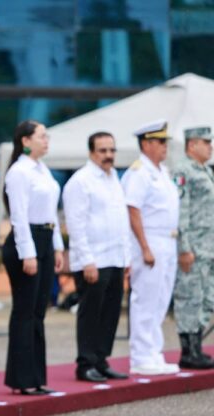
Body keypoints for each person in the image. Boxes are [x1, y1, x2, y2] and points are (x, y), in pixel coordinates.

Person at [62, 132, 131, 382]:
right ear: (92, 152)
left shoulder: (113, 178)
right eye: (103, 151)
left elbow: (120, 220)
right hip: (93, 259)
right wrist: (87, 260)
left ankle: (101, 360)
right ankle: (85, 363)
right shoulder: (81, 181)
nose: (108, 155)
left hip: (114, 257)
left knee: (111, 311)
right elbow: (76, 224)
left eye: (111, 150)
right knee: (91, 311)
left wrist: (126, 257)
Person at [2, 120, 65, 394]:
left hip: (46, 238)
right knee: (25, 312)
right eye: (41, 136)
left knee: (39, 311)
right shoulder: (19, 171)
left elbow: (50, 212)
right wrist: (28, 254)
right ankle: (21, 379)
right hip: (25, 241)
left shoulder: (42, 169)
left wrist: (58, 247)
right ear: (25, 141)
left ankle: (37, 377)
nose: (46, 140)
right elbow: (19, 216)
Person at [122, 120, 180, 375]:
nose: (164, 146)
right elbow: (132, 209)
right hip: (150, 239)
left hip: (168, 239)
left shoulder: (162, 171)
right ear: (146, 144)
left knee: (160, 299)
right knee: (145, 299)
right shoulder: (139, 172)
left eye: (165, 141)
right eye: (160, 142)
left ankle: (153, 352)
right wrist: (144, 247)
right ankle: (140, 356)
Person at [172, 127, 214, 370]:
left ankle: (197, 344)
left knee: (207, 298)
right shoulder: (182, 171)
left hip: (208, 247)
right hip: (194, 248)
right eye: (205, 142)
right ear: (191, 146)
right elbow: (181, 212)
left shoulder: (206, 171)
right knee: (190, 297)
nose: (210, 146)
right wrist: (184, 248)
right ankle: (188, 350)